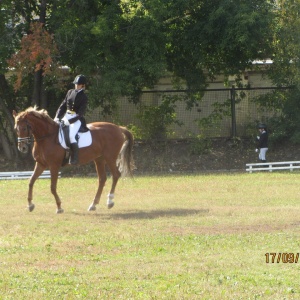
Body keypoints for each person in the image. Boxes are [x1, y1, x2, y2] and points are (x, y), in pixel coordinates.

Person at [54, 74, 88, 165]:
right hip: (66, 116)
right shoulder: (70, 92)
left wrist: (70, 121)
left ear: (82, 85)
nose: (76, 85)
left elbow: (80, 114)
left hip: (76, 119)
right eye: (76, 84)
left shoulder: (84, 97)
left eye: (78, 84)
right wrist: (57, 117)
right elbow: (63, 105)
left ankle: (74, 158)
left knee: (71, 136)